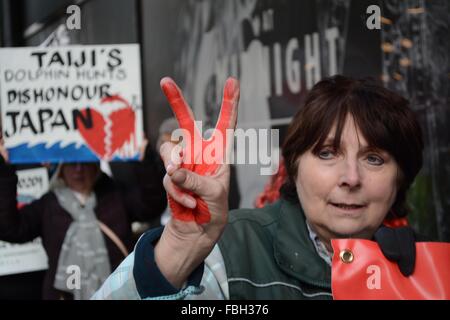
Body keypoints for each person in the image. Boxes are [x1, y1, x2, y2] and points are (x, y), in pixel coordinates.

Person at [92, 75, 438, 300]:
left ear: (401, 177)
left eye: (374, 159)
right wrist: (179, 251)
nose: (351, 177)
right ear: (294, 166)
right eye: (328, 153)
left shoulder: (427, 269)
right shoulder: (232, 251)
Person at [0, 136, 167, 300]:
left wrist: (144, 158)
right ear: (61, 168)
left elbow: (152, 205)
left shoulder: (114, 194)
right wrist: (5, 172)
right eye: (72, 163)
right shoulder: (48, 204)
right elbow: (10, 229)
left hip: (119, 293)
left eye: (85, 162)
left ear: (95, 165)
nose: (78, 169)